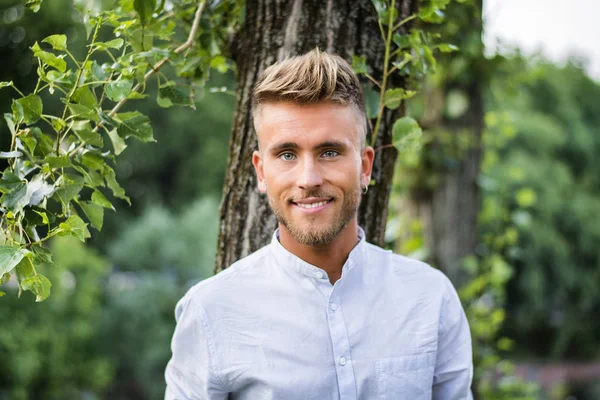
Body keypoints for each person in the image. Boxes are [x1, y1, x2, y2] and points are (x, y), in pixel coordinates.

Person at [164, 49, 473, 400]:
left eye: (329, 152)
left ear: (365, 166)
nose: (308, 179)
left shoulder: (430, 299)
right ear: (261, 171)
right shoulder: (211, 311)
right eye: (287, 154)